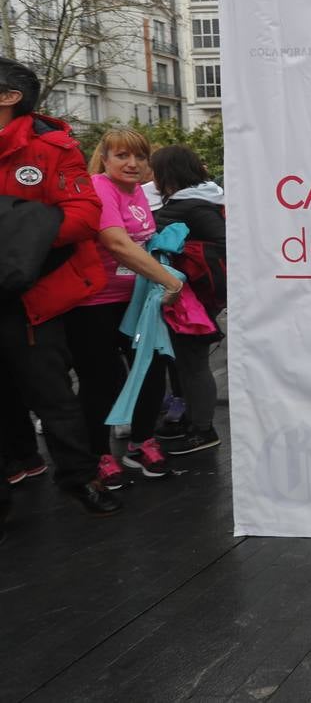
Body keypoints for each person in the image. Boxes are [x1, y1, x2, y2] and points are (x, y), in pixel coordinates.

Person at [0, 57, 121, 519]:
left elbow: (84, 214)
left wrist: (17, 237)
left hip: (33, 296)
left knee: (51, 395)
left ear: (10, 97)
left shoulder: (51, 148)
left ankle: (79, 478)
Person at [64, 129, 183, 488]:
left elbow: (141, 243)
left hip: (136, 302)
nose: (133, 164)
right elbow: (116, 243)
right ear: (105, 158)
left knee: (150, 370)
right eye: (122, 156)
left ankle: (140, 442)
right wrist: (170, 281)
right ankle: (99, 453)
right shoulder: (100, 187)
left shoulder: (138, 195)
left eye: (140, 157)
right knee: (101, 380)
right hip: (94, 303)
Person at [148, 145, 226, 454]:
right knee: (187, 362)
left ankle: (203, 429)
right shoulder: (208, 196)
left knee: (192, 363)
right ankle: (195, 422)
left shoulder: (188, 206)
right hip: (203, 294)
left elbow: (221, 241)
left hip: (193, 296)